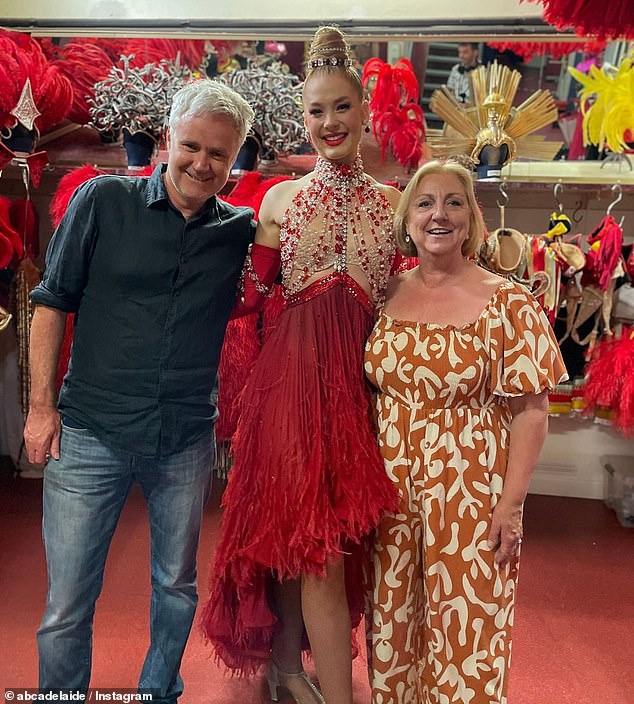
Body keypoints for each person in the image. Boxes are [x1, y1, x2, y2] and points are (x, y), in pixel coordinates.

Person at [23, 79, 256, 703]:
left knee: (176, 587)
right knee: (68, 602)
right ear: (165, 139)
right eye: (191, 147)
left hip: (182, 436)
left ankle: (160, 692)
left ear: (234, 161)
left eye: (219, 155)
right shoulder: (101, 199)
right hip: (90, 428)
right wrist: (40, 410)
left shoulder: (239, 231)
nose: (202, 164)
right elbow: (50, 303)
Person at [200, 25, 402, 704]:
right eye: (314, 112)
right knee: (312, 545)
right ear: (302, 119)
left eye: (340, 107)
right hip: (290, 389)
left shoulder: (396, 205)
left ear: (363, 111)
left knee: (318, 545)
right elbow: (251, 300)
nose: (327, 123)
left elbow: (405, 301)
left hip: (362, 395)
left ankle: (289, 669)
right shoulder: (279, 199)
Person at [364, 160, 567, 704]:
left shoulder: (509, 303)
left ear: (472, 218)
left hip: (472, 489)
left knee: (468, 629)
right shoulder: (381, 296)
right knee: (391, 622)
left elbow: (532, 410)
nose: (439, 214)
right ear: (407, 218)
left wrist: (513, 504)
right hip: (388, 490)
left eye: (453, 202)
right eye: (425, 202)